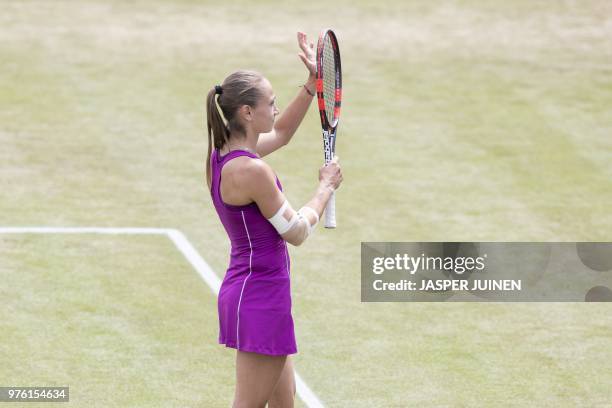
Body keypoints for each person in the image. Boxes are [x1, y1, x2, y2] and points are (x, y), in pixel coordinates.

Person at [205, 32, 343, 407]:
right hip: (259, 298)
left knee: (285, 403)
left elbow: (281, 134)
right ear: (248, 112)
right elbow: (296, 232)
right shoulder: (252, 172)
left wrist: (312, 87)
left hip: (259, 292)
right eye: (271, 103)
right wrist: (325, 189)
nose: (276, 109)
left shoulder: (224, 154)